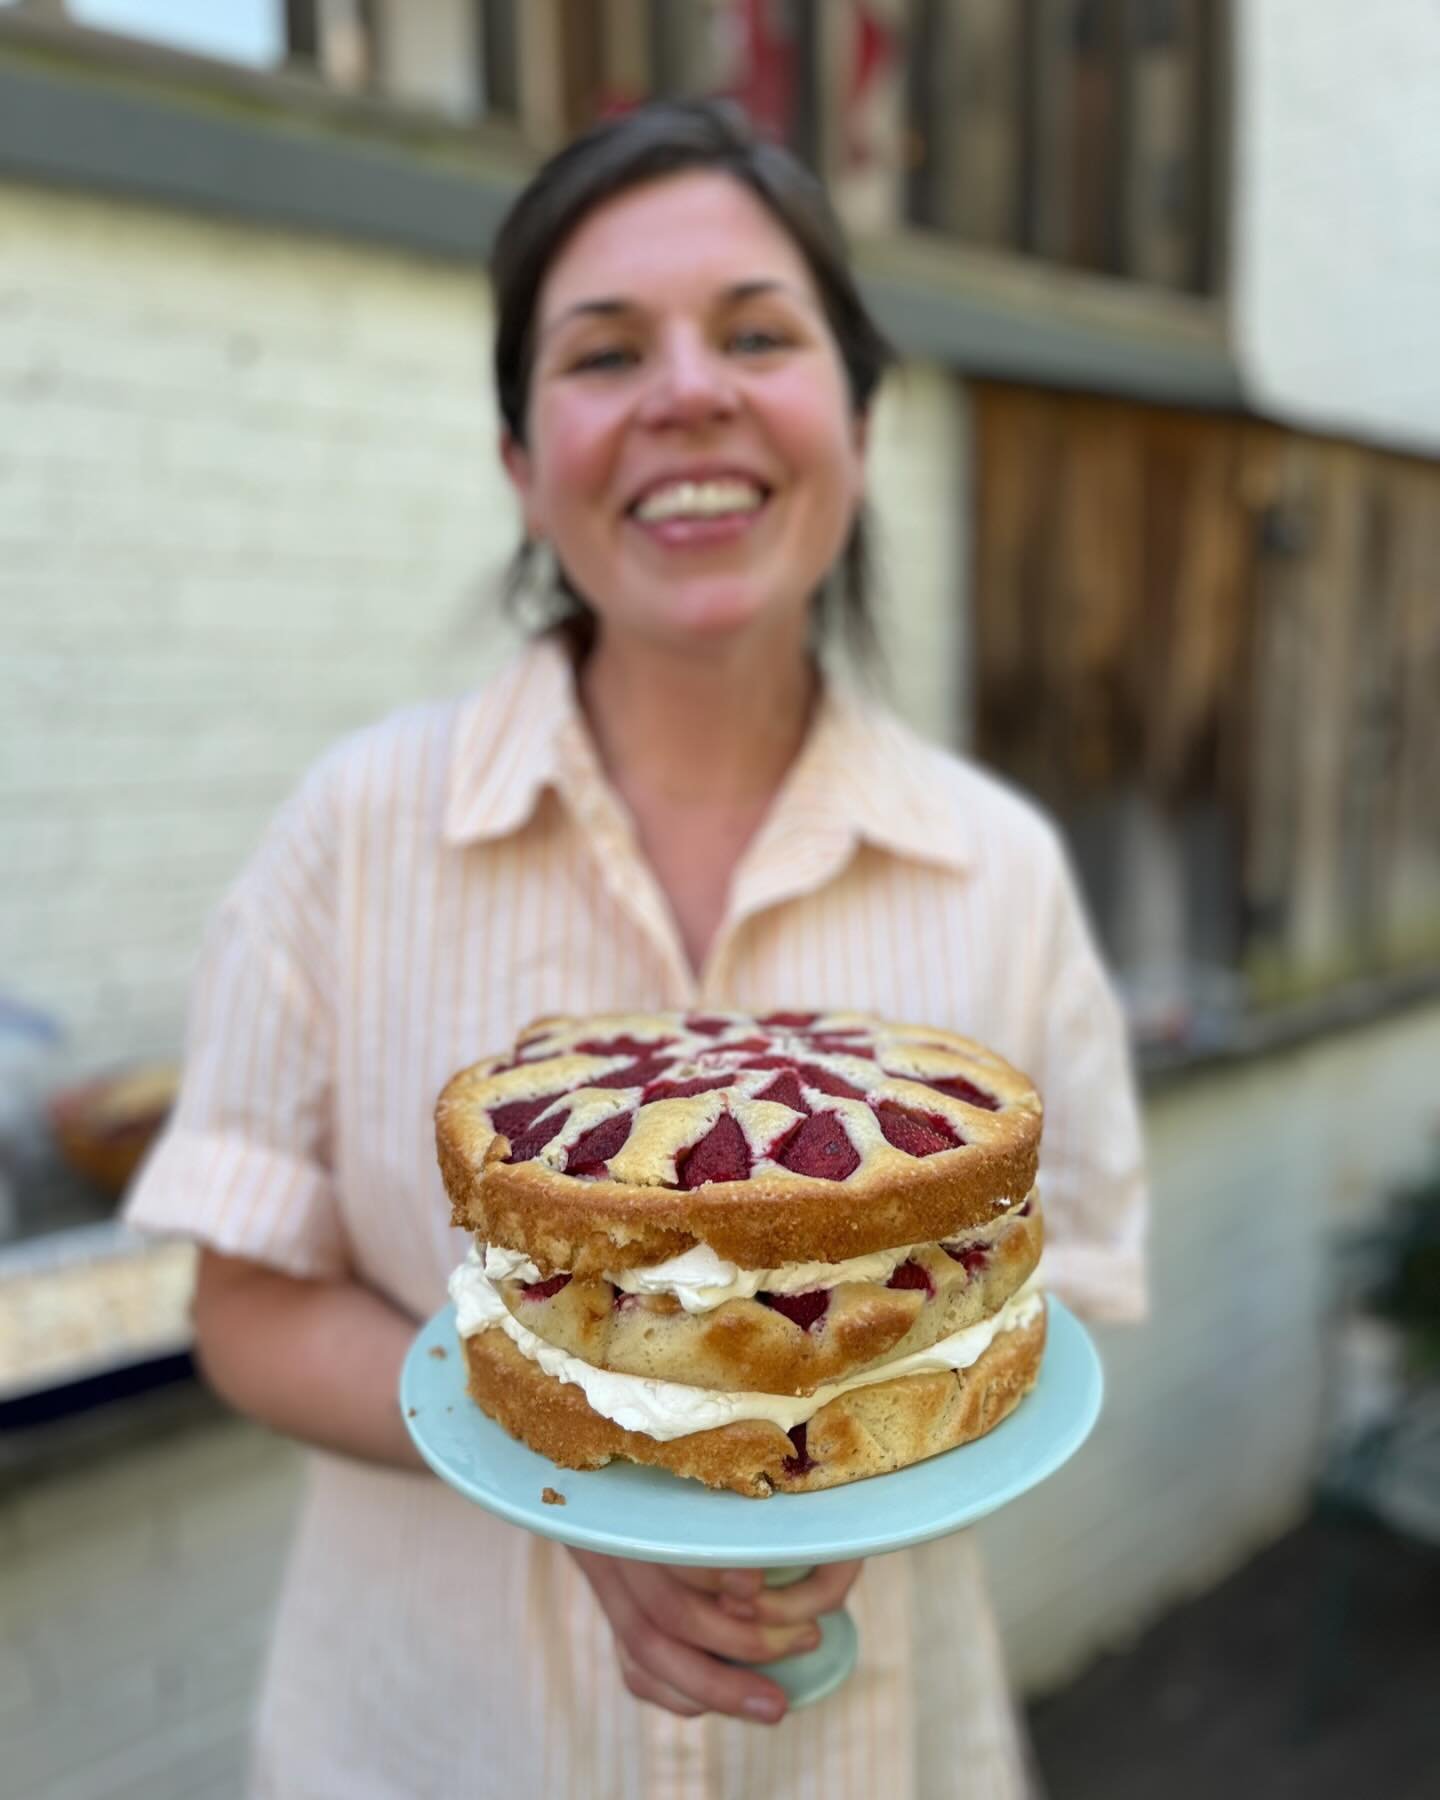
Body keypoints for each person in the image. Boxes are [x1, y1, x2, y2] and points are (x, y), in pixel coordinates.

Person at [126, 99, 1146, 1799]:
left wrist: (845, 1452)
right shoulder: (353, 836)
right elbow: (241, 1300)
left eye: (759, 332)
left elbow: (1062, 1288)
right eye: (604, 353)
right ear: (522, 461)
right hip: (440, 1743)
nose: (692, 390)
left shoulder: (1003, 870)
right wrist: (567, 1464)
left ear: (860, 419)